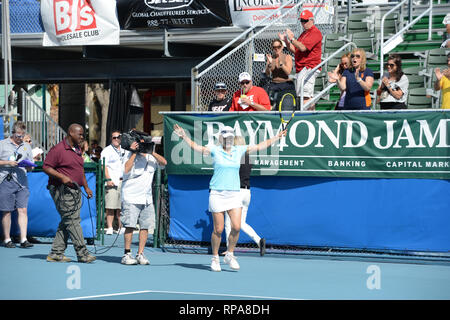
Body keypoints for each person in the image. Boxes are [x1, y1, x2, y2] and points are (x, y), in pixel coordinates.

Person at [173, 124, 287, 272]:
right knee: (218, 229)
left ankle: (230, 254)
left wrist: (277, 137)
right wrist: (184, 137)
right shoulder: (214, 149)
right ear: (221, 138)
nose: (228, 139)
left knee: (237, 226)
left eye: (230, 137)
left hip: (234, 193)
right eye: (225, 137)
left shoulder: (239, 150)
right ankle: (215, 258)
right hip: (217, 193)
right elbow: (198, 148)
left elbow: (260, 146)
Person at [43, 123, 96, 263]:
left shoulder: (77, 149)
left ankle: (56, 253)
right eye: (80, 134)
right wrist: (62, 177)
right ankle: (83, 253)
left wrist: (86, 187)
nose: (82, 137)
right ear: (71, 133)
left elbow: (80, 170)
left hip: (76, 190)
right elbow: (46, 167)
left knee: (67, 220)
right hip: (62, 190)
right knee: (72, 221)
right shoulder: (58, 149)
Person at [120, 139, 167, 265]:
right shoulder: (128, 155)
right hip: (131, 196)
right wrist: (134, 152)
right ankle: (127, 254)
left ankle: (140, 253)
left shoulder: (152, 158)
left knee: (145, 227)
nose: (143, 146)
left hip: (146, 198)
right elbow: (126, 169)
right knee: (129, 226)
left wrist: (152, 152)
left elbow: (164, 162)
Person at [223, 136, 266, 257]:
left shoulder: (235, 158)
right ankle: (258, 241)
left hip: (235, 192)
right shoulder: (249, 158)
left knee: (228, 222)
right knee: (240, 223)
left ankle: (229, 249)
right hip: (247, 193)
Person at [0, 121, 34, 248]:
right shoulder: (2, 144)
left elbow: (30, 162)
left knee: (23, 210)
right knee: (7, 211)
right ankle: (7, 239)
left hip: (22, 181)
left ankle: (23, 239)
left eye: (22, 135)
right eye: (18, 136)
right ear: (12, 133)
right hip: (6, 180)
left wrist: (30, 166)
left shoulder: (26, 146)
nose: (20, 138)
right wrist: (6, 163)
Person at [279, 9, 323, 110]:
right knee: (304, 96)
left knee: (305, 96)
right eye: (301, 21)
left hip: (309, 67)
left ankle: (307, 117)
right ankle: (310, 116)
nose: (303, 23)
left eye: (305, 20)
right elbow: (295, 49)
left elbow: (303, 48)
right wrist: (286, 40)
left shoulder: (315, 32)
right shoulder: (304, 33)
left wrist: (292, 38)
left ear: (312, 20)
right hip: (302, 68)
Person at [100, 130, 125, 235]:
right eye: (114, 137)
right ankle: (110, 227)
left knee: (121, 207)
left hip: (123, 181)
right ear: (111, 138)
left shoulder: (125, 150)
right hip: (112, 181)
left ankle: (120, 226)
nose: (116, 139)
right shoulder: (107, 150)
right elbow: (103, 165)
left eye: (118, 137)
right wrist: (108, 179)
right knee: (110, 206)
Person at [264, 38, 295, 106]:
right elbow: (267, 73)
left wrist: (281, 64)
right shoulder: (271, 58)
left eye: (278, 47)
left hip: (286, 83)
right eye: (274, 47)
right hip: (274, 84)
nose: (277, 49)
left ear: (282, 47)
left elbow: (288, 72)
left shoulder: (287, 57)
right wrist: (269, 64)